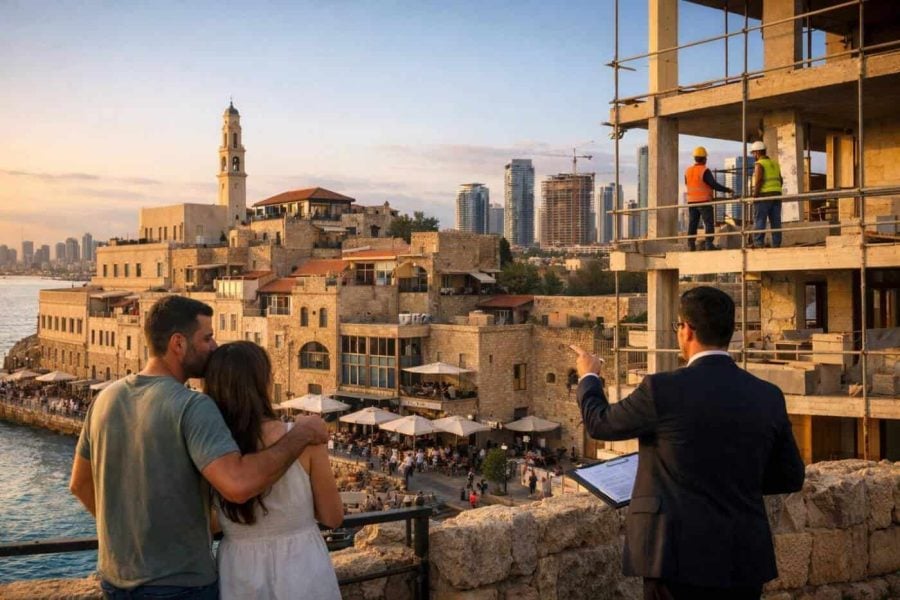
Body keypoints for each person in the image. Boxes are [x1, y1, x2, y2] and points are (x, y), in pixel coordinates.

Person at [69, 296, 328, 599]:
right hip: (180, 584)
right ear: (178, 344)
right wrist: (300, 434)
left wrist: (128, 540)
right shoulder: (192, 405)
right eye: (206, 337)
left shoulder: (105, 399)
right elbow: (238, 485)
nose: (214, 346)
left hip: (115, 580)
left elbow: (80, 484)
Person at [572, 286, 805, 600]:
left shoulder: (662, 390)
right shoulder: (767, 395)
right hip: (742, 556)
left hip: (675, 555)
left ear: (687, 330)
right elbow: (790, 476)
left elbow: (599, 423)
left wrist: (589, 377)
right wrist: (735, 480)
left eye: (678, 326)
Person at [206, 341, 342, 600]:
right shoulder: (305, 440)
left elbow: (207, 522)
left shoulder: (210, 449)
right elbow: (332, 517)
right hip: (302, 566)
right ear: (266, 383)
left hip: (239, 569)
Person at [684, 146, 733, 251]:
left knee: (693, 223)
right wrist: (727, 190)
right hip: (704, 202)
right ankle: (708, 244)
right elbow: (713, 184)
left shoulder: (688, 171)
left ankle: (691, 244)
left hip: (691, 202)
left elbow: (687, 183)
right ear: (704, 159)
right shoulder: (704, 170)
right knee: (708, 222)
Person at [751, 140, 784, 248]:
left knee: (760, 220)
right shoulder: (775, 163)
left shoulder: (759, 164)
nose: (753, 156)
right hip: (776, 195)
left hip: (764, 196)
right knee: (776, 221)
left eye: (753, 153)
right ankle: (776, 244)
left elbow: (759, 181)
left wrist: (755, 196)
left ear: (757, 152)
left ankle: (758, 243)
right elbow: (781, 180)